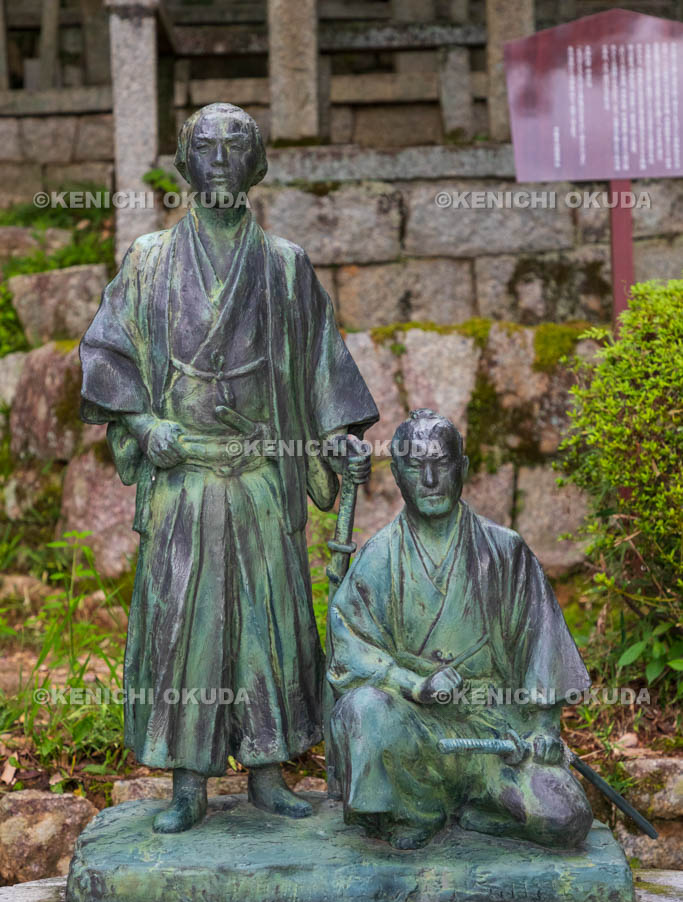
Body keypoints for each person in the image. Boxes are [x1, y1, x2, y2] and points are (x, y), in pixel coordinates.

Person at [79, 103, 378, 833]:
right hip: (183, 477)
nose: (218, 158)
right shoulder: (148, 261)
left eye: (233, 145)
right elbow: (106, 356)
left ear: (254, 163)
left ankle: (268, 771)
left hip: (258, 475)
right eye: (204, 146)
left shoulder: (284, 266)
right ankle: (186, 780)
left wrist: (338, 434)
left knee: (266, 623)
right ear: (185, 162)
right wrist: (143, 426)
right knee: (187, 624)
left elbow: (320, 365)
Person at [327, 409, 592, 851]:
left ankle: (480, 812)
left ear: (463, 468)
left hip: (494, 736)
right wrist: (414, 684)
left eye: (441, 463)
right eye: (415, 466)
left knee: (566, 818)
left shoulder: (505, 551)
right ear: (396, 475)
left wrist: (543, 731)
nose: (429, 479)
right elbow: (348, 650)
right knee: (364, 710)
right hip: (416, 735)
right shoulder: (379, 557)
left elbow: (543, 650)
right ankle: (415, 808)